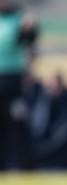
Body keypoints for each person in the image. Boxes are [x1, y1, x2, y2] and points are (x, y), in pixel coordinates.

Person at [0, 0, 37, 170]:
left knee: (15, 122)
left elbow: (30, 44)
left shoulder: (18, 19)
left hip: (12, 81)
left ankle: (19, 164)